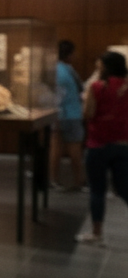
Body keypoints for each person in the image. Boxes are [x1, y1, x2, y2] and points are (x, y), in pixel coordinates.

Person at [77, 51, 128, 245]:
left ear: (105, 67)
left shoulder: (97, 87)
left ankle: (97, 233)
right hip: (123, 142)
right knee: (124, 188)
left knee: (97, 190)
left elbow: (88, 113)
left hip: (98, 143)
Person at [50, 40, 84, 190]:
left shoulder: (53, 69)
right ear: (69, 54)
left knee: (56, 148)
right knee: (74, 149)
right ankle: (78, 181)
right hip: (71, 114)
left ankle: (53, 180)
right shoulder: (67, 70)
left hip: (57, 114)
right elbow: (79, 89)